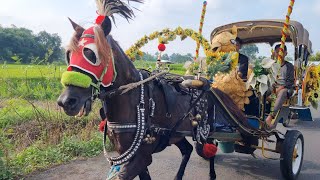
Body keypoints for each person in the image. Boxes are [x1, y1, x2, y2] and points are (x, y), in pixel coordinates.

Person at [265, 44, 295, 128]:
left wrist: (276, 91)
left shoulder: (289, 66)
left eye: (281, 52)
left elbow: (289, 83)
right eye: (277, 52)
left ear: (285, 53)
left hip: (284, 88)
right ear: (274, 53)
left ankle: (271, 117)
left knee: (282, 92)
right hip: (272, 86)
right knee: (260, 90)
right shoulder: (270, 65)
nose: (279, 54)